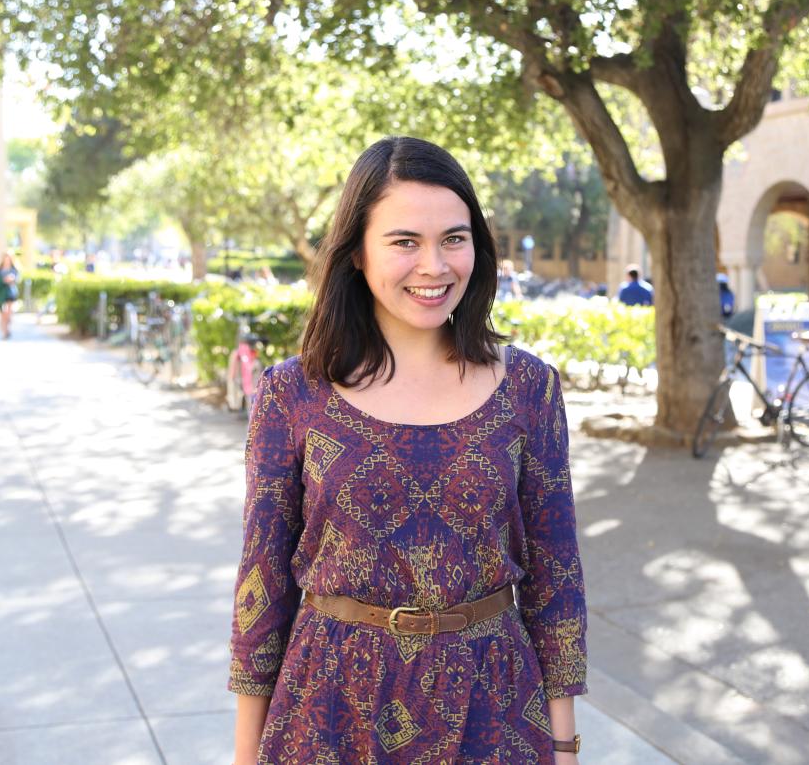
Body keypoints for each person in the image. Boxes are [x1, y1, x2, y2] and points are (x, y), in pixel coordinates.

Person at [229, 137, 587, 764]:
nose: (434, 265)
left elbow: (556, 580)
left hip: (494, 708)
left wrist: (565, 746)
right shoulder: (292, 393)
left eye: (454, 238)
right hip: (329, 709)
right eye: (404, 242)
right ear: (357, 253)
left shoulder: (529, 388)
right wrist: (244, 754)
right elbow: (262, 584)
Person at [0, 250, 20, 339]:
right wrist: (3, 280)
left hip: (10, 292)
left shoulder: (14, 269)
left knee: (8, 313)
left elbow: (17, 279)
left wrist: (12, 279)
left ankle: (7, 328)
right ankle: (4, 331)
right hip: (0, 293)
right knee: (2, 314)